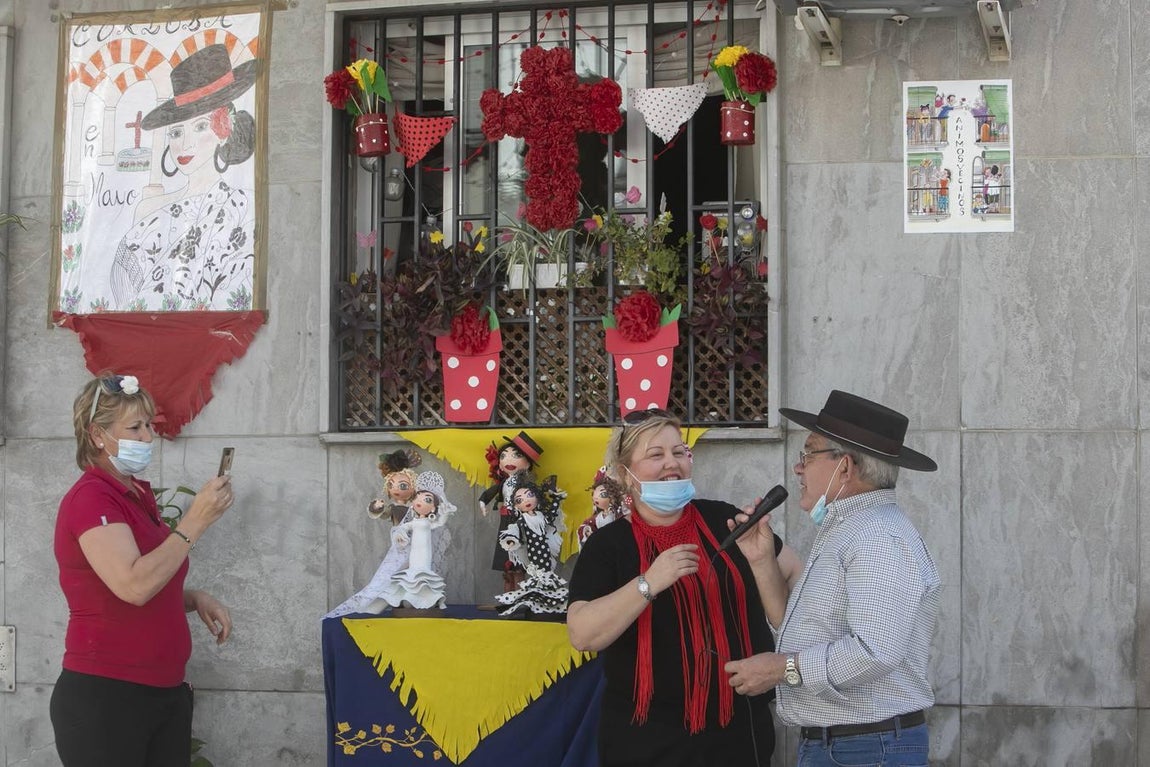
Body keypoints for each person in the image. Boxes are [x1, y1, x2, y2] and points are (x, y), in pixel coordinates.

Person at [567, 408, 802, 767]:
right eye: (656, 455)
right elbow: (582, 634)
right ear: (626, 473)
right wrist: (649, 582)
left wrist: (762, 561)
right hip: (646, 743)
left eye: (679, 452)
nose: (671, 463)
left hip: (739, 736)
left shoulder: (724, 520)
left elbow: (795, 577)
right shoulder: (608, 545)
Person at [723, 390, 941, 767]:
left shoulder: (877, 537)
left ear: (845, 467)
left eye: (808, 454)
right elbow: (800, 629)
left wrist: (779, 669)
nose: (798, 468)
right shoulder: (849, 528)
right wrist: (761, 560)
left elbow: (874, 652)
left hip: (866, 748)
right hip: (847, 746)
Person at [50, 374, 234, 766]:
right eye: (135, 427)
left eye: (148, 425)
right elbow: (133, 586)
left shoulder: (134, 494)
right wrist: (195, 520)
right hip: (108, 696)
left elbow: (143, 580)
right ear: (97, 435)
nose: (148, 437)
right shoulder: (92, 497)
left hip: (162, 693)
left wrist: (193, 598)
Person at [110, 44, 259, 311]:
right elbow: (125, 296)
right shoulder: (148, 208)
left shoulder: (242, 207)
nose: (185, 144)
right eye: (176, 132)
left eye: (200, 126)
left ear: (223, 130)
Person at [380, 471, 455, 610]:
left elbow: (439, 523)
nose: (419, 501)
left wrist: (445, 514)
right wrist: (400, 534)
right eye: (416, 497)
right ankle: (410, 597)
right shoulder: (413, 522)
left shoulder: (429, 523)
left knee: (423, 573)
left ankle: (424, 599)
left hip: (425, 554)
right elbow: (403, 527)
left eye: (427, 500)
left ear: (433, 508)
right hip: (414, 553)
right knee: (413, 572)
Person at [478, 431, 544, 591]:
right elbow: (490, 493)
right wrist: (483, 502)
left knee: (519, 556)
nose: (508, 460)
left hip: (521, 521)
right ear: (499, 464)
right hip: (505, 520)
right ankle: (508, 591)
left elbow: (535, 501)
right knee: (505, 554)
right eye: (504, 456)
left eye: (516, 455)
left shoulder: (527, 484)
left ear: (527, 464)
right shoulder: (504, 483)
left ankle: (520, 592)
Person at [494, 480, 569, 616]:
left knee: (547, 573)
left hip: (545, 550)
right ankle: (537, 603)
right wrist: (511, 539)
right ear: (516, 506)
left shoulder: (541, 516)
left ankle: (548, 604)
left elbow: (551, 515)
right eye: (519, 500)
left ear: (537, 497)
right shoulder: (522, 520)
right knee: (538, 576)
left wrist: (556, 499)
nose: (526, 501)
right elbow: (515, 530)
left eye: (530, 495)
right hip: (534, 552)